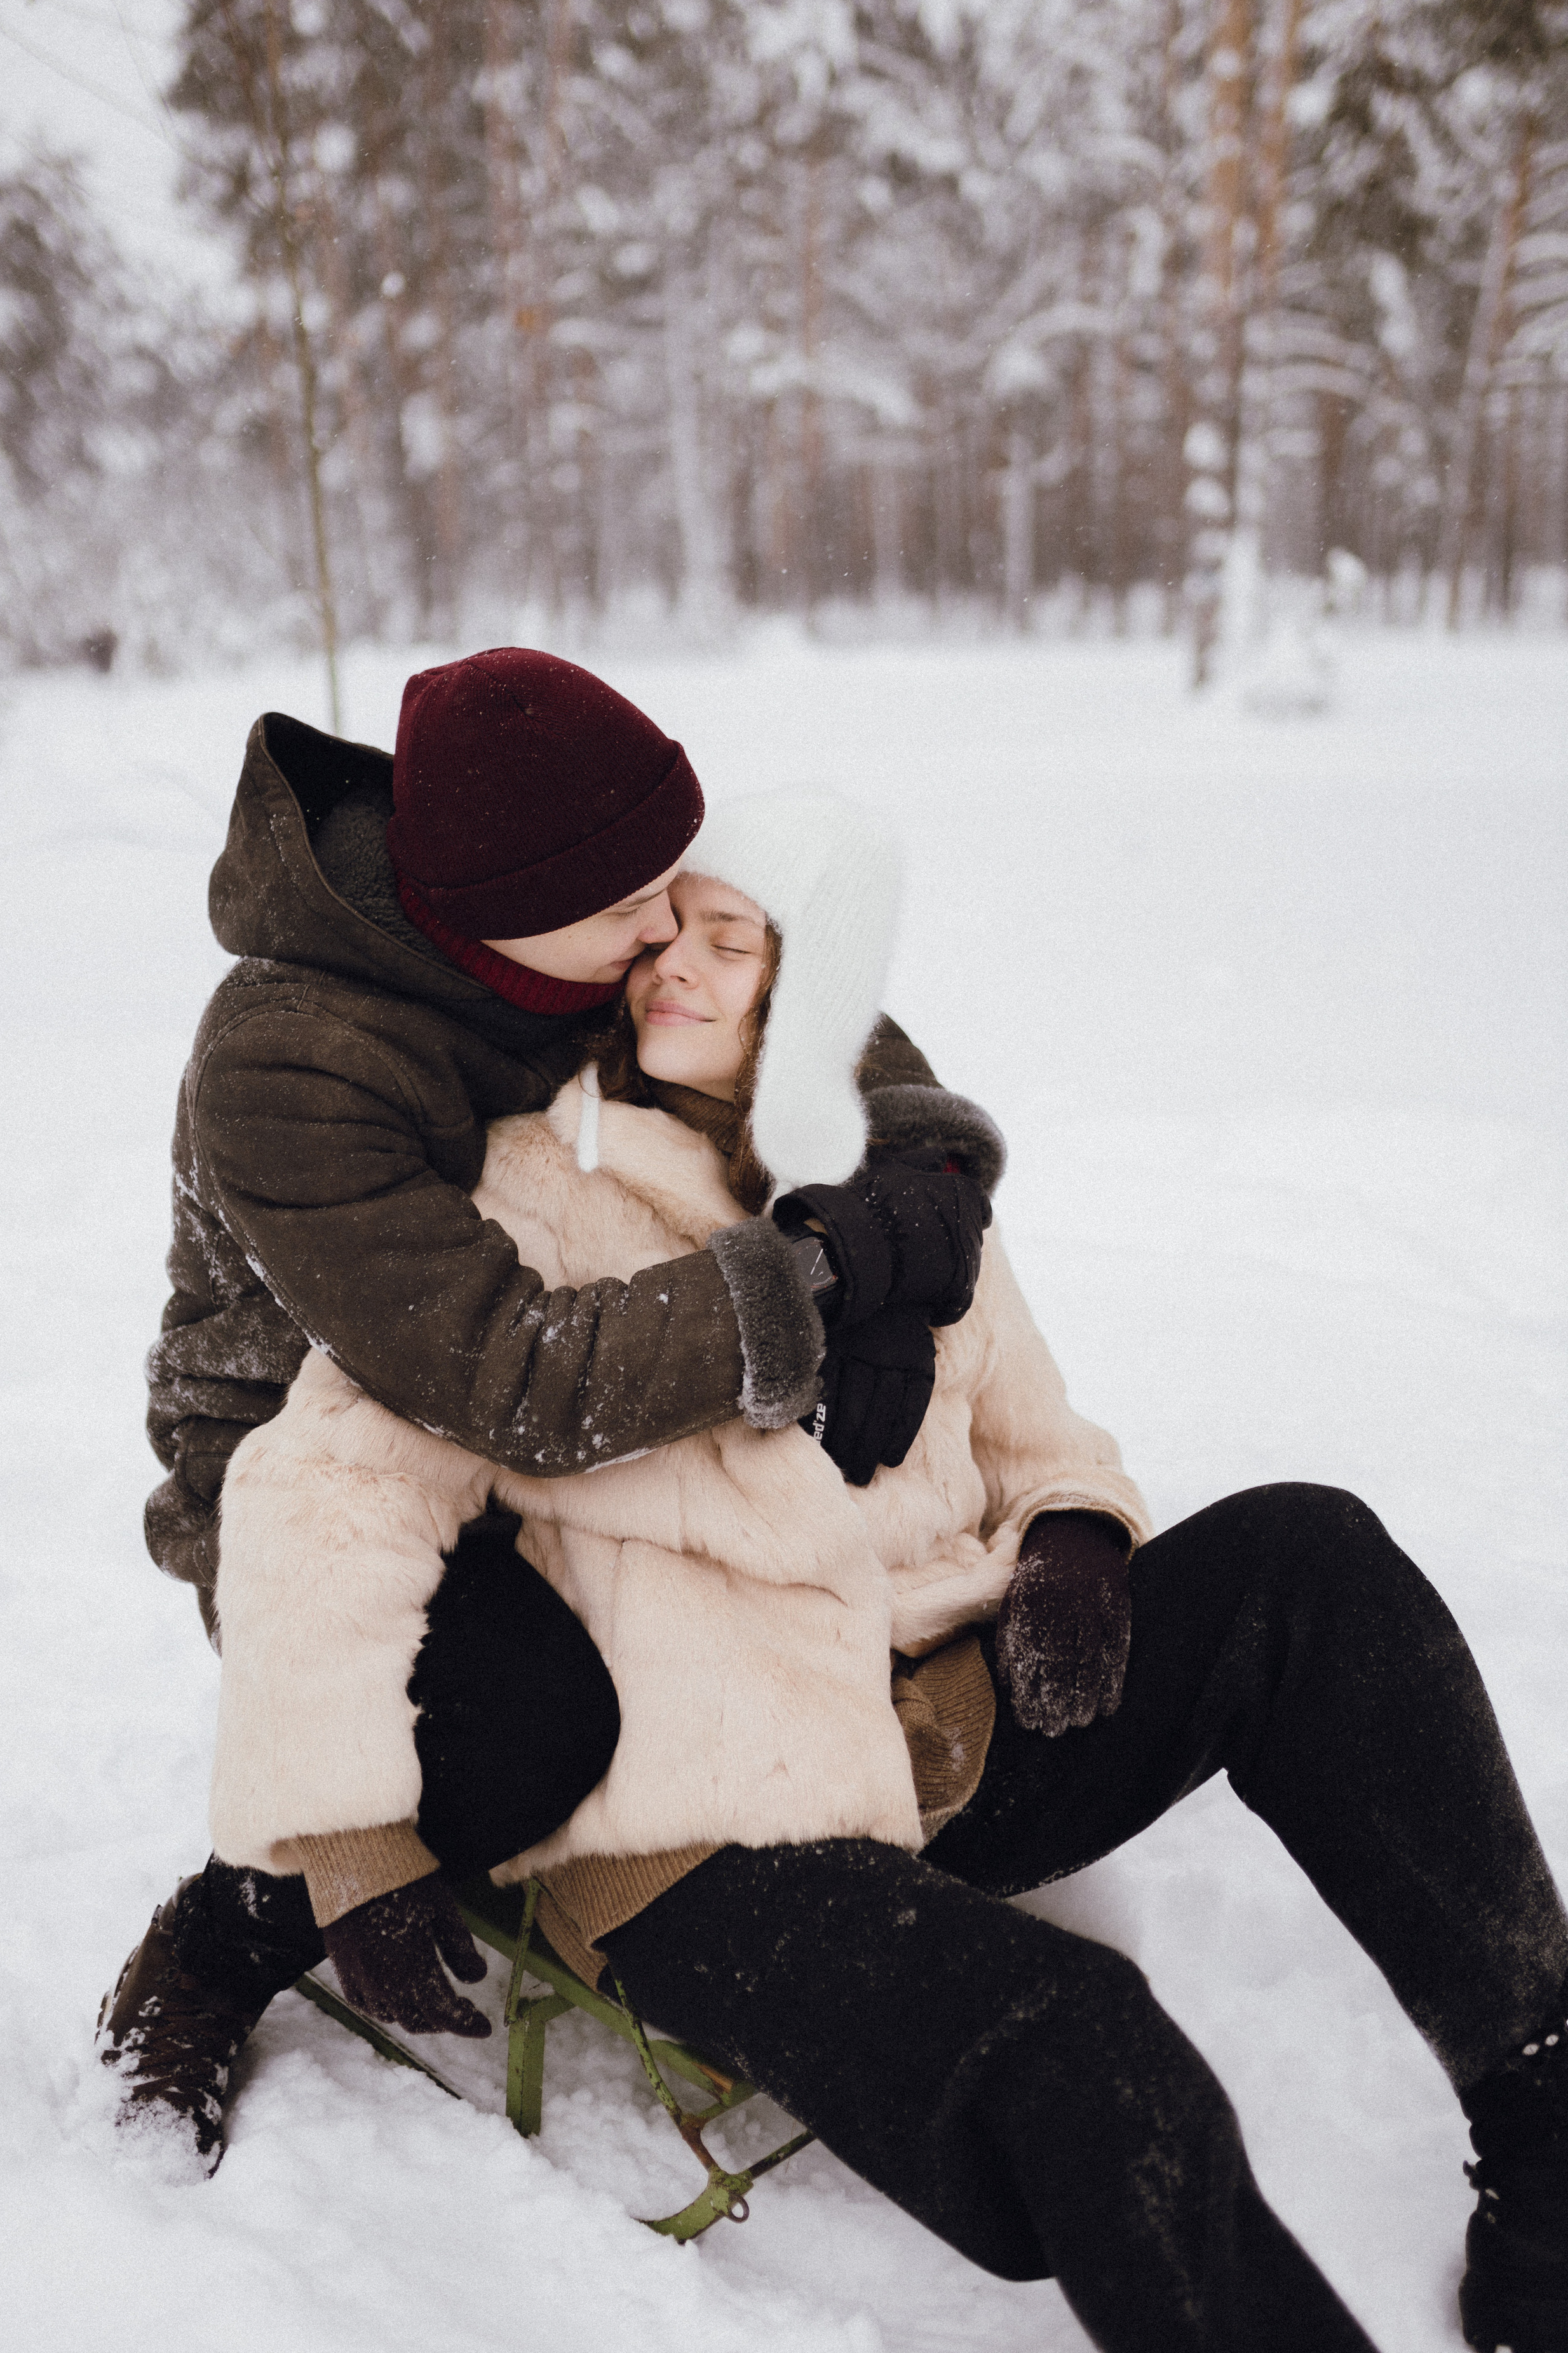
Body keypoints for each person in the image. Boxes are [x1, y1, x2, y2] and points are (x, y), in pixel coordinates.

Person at [203, 787, 1567, 2353]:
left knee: (1308, 1553)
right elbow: (323, 1503)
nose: (672, 966)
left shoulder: (911, 1210)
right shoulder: (528, 1198)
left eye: (735, 942)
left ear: (820, 993)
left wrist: (1070, 1539)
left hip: (950, 1734)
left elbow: (1046, 1431)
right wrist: (352, 1839)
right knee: (1089, 2058)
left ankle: (1541, 2118)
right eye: (666, 936)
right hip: (714, 1838)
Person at [97, 654, 987, 2169]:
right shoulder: (291, 1056)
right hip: (320, 1465)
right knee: (527, 1726)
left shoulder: (588, 894)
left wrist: (904, 1198)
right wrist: (818, 1276)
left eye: (675, 882)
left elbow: (824, 1018)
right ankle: (221, 1935)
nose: (672, 921)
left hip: (558, 1398)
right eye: (637, 908)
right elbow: (515, 1377)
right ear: (496, 924)